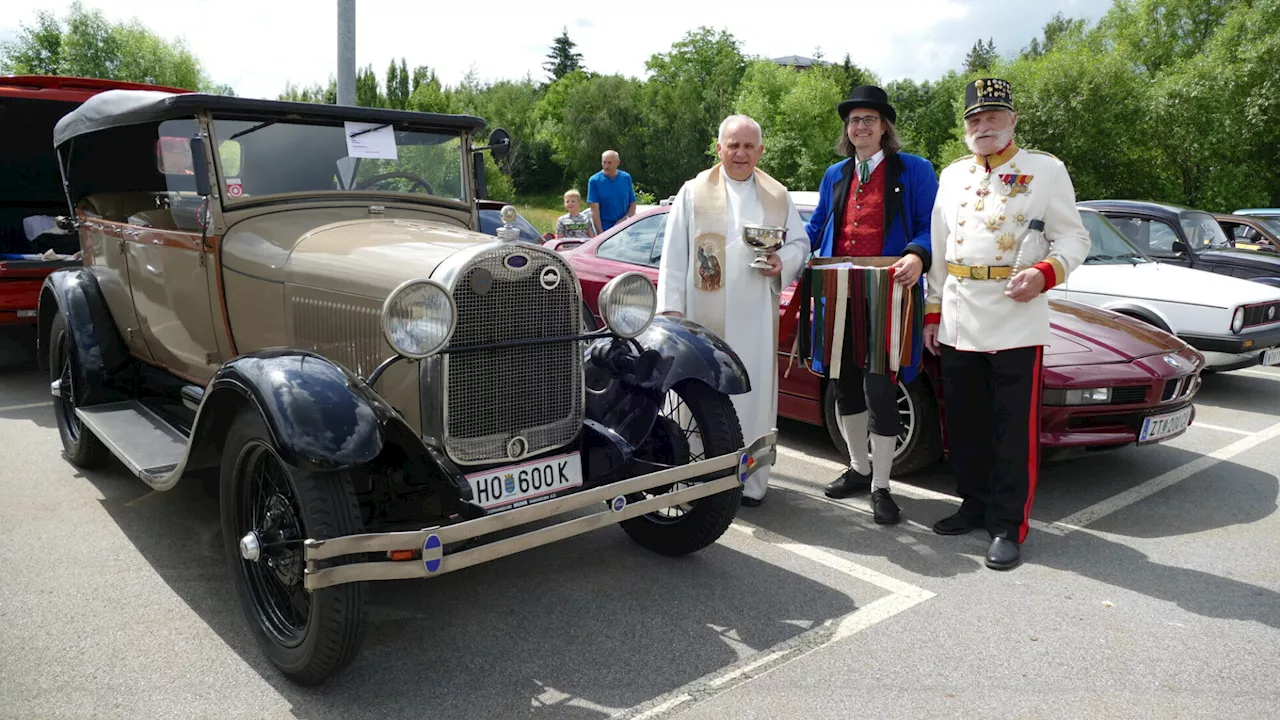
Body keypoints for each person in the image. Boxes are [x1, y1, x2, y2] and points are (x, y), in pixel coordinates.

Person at [923, 78, 1091, 570]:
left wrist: (1044, 275)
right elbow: (938, 248)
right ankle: (973, 503)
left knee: (1012, 428)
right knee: (966, 423)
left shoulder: (1044, 170)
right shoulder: (952, 175)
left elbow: (1074, 239)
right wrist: (933, 311)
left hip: (1016, 315)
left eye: (993, 116)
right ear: (965, 128)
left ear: (1013, 120)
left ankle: (1007, 524)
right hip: (958, 316)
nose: (983, 126)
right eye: (975, 119)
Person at [656, 115, 810, 506]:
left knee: (754, 399)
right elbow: (675, 255)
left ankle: (752, 482)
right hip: (704, 320)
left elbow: (800, 244)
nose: (740, 153)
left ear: (760, 150)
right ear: (719, 148)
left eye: (748, 146)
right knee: (700, 396)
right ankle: (694, 480)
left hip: (756, 317)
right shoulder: (693, 192)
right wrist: (670, 312)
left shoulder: (776, 194)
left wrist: (783, 262)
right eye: (733, 145)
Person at [804, 85, 939, 525]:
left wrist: (918, 254)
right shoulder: (835, 174)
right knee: (844, 386)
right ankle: (859, 470)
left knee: (881, 390)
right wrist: (784, 252)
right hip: (839, 292)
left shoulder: (914, 170)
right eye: (853, 120)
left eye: (869, 119)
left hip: (889, 292)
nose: (860, 126)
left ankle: (882, 485)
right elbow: (818, 225)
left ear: (884, 127)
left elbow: (929, 225)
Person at [587, 150, 637, 234]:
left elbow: (632, 204)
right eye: (604, 162)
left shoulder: (626, 178)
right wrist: (601, 234)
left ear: (618, 162)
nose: (606, 166)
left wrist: (624, 220)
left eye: (609, 163)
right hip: (605, 228)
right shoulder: (594, 181)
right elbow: (594, 211)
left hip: (625, 227)